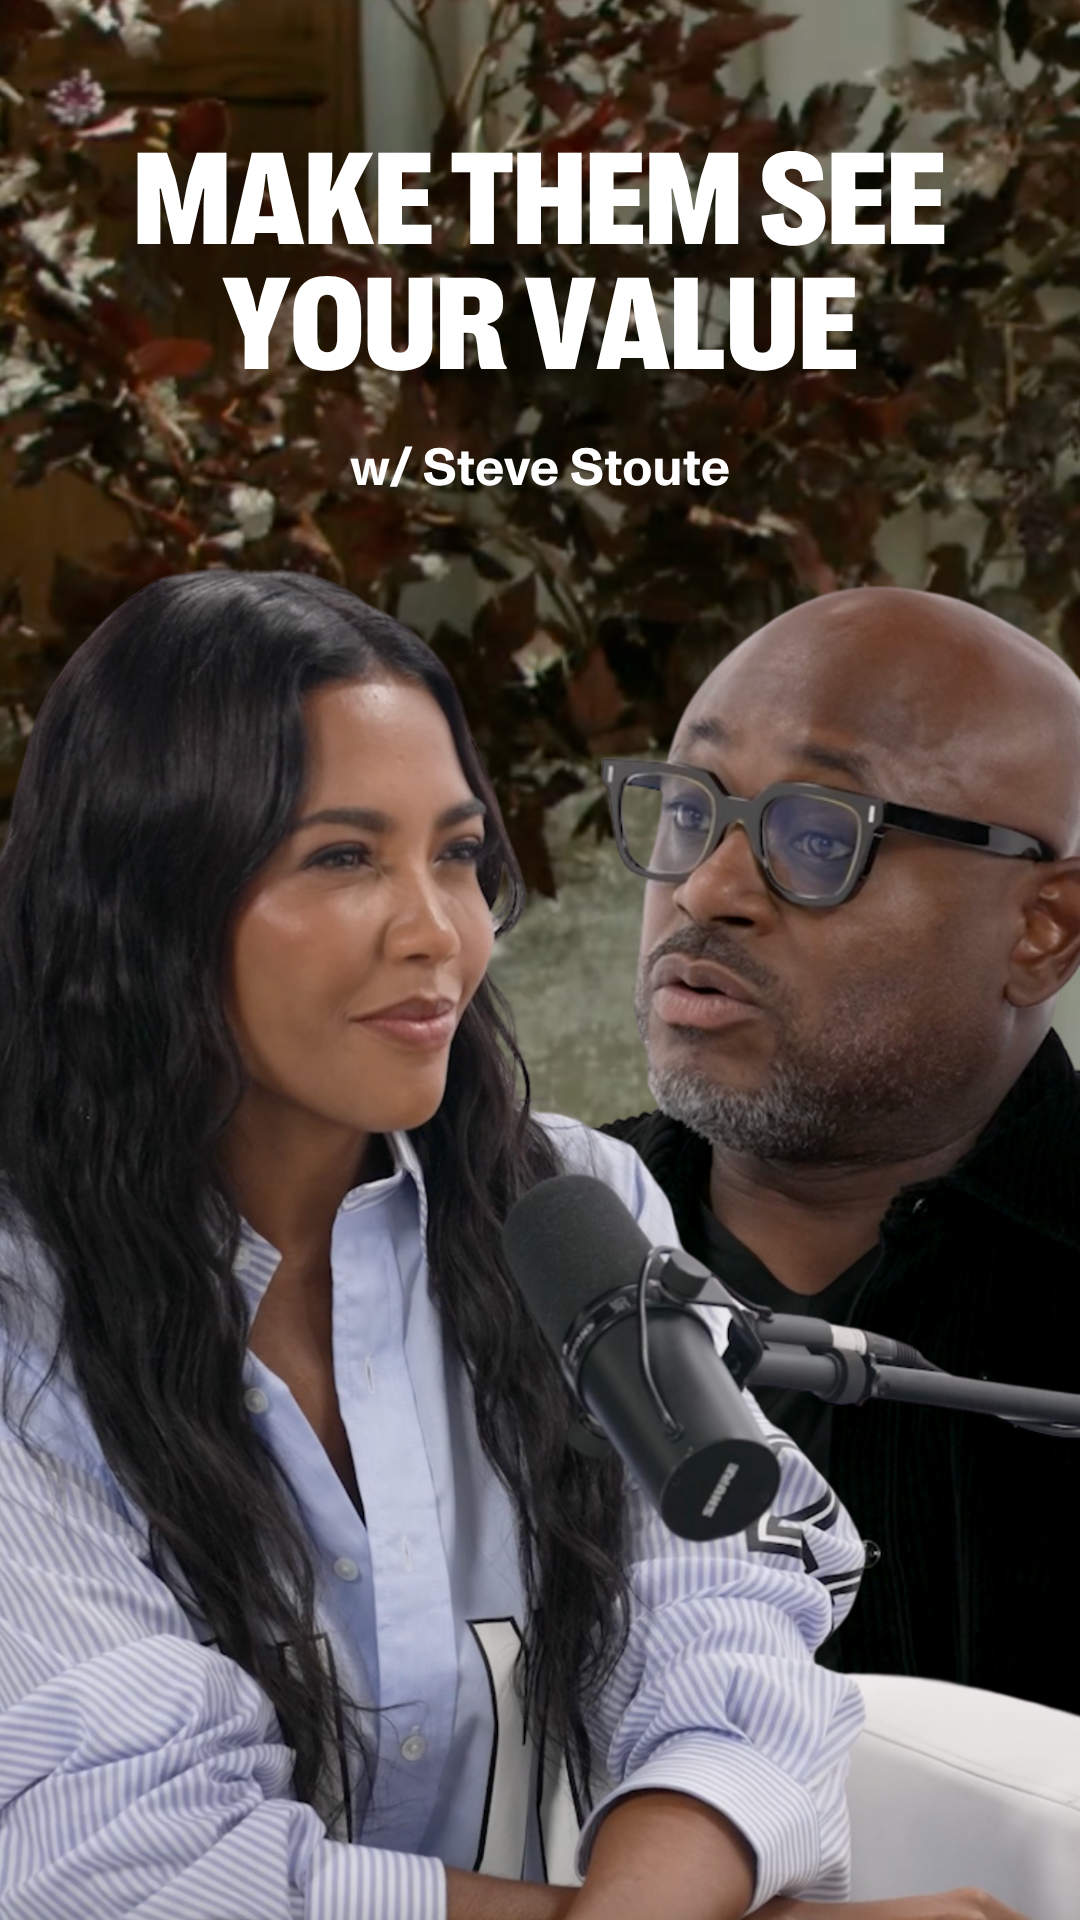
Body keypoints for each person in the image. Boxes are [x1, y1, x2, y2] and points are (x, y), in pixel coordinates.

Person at [1, 566, 942, 1920]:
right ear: (143, 898)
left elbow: (721, 1617)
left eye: (453, 853)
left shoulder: (569, 1204)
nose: (437, 931)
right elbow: (132, 1861)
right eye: (342, 857)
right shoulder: (21, 1309)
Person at [600, 586, 1080, 1717]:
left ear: (1040, 931)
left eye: (819, 837)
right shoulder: (492, 1251)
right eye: (687, 812)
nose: (707, 892)